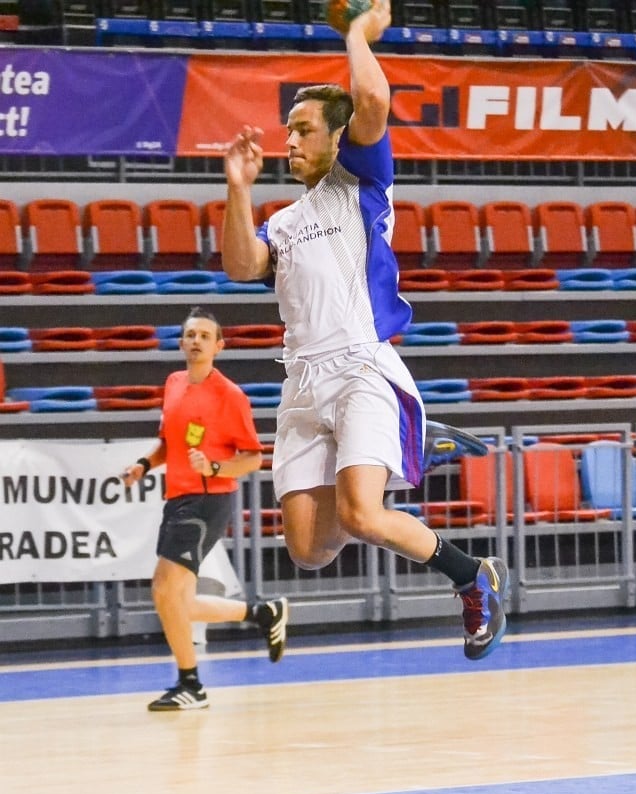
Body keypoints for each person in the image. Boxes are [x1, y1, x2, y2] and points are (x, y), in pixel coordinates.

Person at [221, 0, 508, 660]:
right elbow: (242, 266)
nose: (287, 141)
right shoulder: (284, 223)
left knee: (360, 514)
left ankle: (473, 580)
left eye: (300, 130)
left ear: (335, 137)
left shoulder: (360, 180)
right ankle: (405, 446)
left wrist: (356, 31)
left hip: (359, 368)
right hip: (301, 383)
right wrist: (238, 188)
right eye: (286, 131)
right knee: (309, 548)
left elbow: (372, 93)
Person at [121, 307, 288, 711]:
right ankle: (263, 613)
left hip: (207, 500)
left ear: (219, 345)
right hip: (177, 497)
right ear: (181, 342)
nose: (195, 341)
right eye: (190, 334)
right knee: (175, 599)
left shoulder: (229, 395)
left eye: (204, 336)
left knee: (164, 587)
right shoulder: (174, 383)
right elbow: (168, 444)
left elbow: (251, 458)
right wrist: (144, 465)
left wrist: (213, 466)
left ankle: (191, 684)